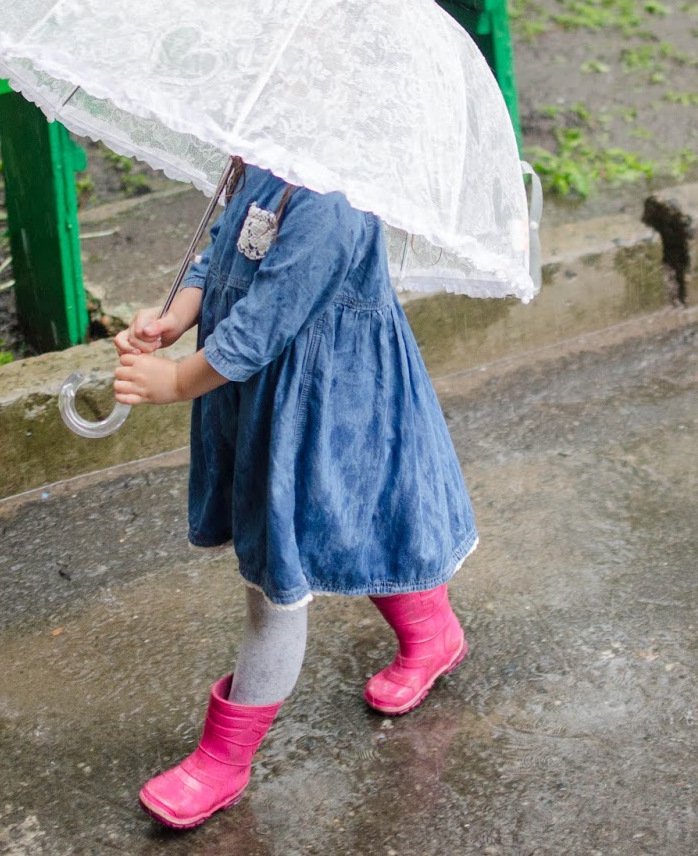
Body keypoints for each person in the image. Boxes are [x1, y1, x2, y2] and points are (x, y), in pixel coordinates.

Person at [112, 158, 477, 830]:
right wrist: (176, 316)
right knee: (351, 528)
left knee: (277, 572)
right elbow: (224, 245)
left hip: (325, 406)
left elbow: (264, 322)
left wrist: (176, 381)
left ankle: (224, 757)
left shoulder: (335, 200)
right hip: (267, 400)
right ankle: (433, 633)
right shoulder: (269, 159)